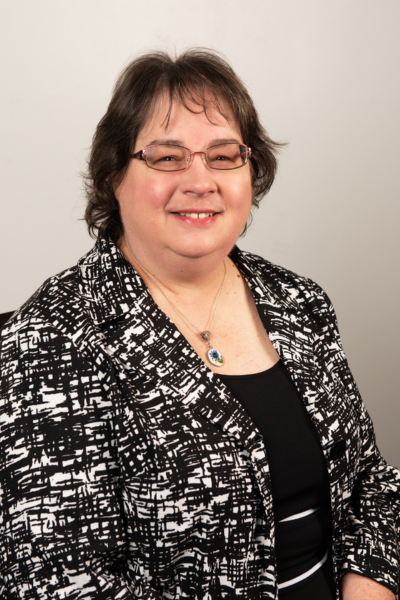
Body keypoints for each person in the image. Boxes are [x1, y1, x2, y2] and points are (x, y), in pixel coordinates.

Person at [0, 49, 399, 600]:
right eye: (167, 158)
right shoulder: (51, 340)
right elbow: (58, 581)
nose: (200, 180)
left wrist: (370, 589)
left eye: (223, 155)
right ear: (115, 175)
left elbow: (373, 483)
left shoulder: (297, 299)